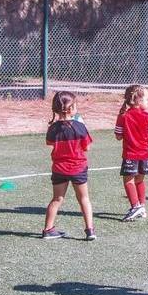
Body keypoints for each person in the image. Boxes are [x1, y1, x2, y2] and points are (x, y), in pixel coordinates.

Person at [43, 91, 96, 241]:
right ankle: (90, 230)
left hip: (59, 169)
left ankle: (48, 229)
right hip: (78, 168)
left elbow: (50, 143)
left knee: (57, 199)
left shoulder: (53, 128)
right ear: (71, 108)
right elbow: (87, 147)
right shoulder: (80, 127)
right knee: (84, 199)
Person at [115, 85, 148, 222]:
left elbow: (118, 136)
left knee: (128, 181)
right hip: (145, 155)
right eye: (146, 99)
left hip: (130, 155)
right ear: (138, 101)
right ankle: (141, 206)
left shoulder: (123, 116)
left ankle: (135, 206)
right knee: (140, 180)